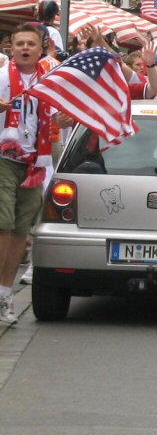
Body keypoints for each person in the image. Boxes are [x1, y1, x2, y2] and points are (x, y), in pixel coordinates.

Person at [0, 23, 54, 323]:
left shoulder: (50, 81)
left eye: (30, 44)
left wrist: (63, 117)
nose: (24, 48)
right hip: (3, 157)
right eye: (19, 43)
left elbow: (60, 115)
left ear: (40, 48)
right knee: (3, 225)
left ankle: (5, 293)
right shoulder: (1, 78)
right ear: (11, 48)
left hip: (34, 162)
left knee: (21, 230)